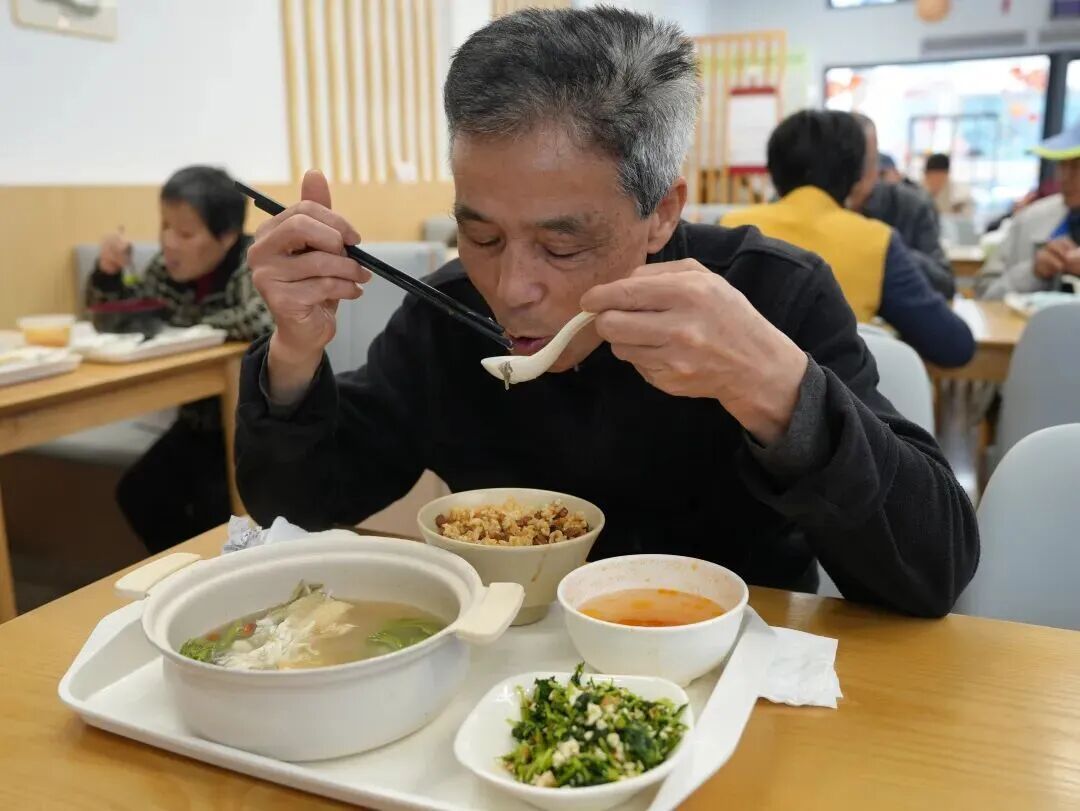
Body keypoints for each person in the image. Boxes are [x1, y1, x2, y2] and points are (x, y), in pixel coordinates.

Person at [236, 7, 978, 616]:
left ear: (663, 213)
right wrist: (295, 353)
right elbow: (300, 506)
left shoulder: (771, 295)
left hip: (729, 672)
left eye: (562, 246)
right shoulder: (448, 314)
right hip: (503, 670)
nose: (512, 287)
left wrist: (779, 391)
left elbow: (931, 572)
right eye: (482, 235)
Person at [87, 165, 273, 553]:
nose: (169, 242)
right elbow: (120, 319)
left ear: (226, 236)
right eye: (165, 227)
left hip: (254, 426)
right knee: (138, 493)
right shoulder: (163, 269)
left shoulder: (252, 259)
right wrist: (108, 275)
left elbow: (261, 320)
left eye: (185, 234)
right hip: (197, 424)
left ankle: (217, 568)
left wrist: (187, 330)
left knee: (214, 505)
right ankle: (188, 568)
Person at [723, 110, 974, 368]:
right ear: (856, 174)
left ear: (773, 171)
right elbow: (954, 346)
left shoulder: (731, 228)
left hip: (733, 388)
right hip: (836, 390)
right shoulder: (876, 241)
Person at [849, 116, 955, 297]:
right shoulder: (816, 211)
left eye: (864, 161)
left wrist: (892, 252)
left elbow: (944, 284)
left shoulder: (911, 206)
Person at [977, 124, 1080, 298]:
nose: (1065, 177)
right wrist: (1034, 272)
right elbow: (985, 295)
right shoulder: (1031, 220)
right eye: (1062, 165)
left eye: (1077, 167)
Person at [923, 153, 974, 217]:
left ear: (947, 175)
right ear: (926, 176)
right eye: (932, 178)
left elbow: (967, 217)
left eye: (940, 178)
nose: (936, 182)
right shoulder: (918, 191)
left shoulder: (960, 194)